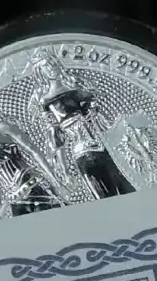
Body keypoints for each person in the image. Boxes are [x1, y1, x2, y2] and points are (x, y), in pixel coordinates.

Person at [29, 51, 135, 200]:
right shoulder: (46, 102)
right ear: (40, 72)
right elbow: (57, 140)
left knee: (126, 187)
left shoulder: (78, 89)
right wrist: (65, 171)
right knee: (103, 196)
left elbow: (104, 120)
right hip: (83, 153)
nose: (51, 67)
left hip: (105, 148)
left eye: (52, 63)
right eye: (46, 66)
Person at [0, 89, 65, 219]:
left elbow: (33, 152)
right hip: (14, 199)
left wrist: (55, 180)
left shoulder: (4, 128)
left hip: (32, 187)